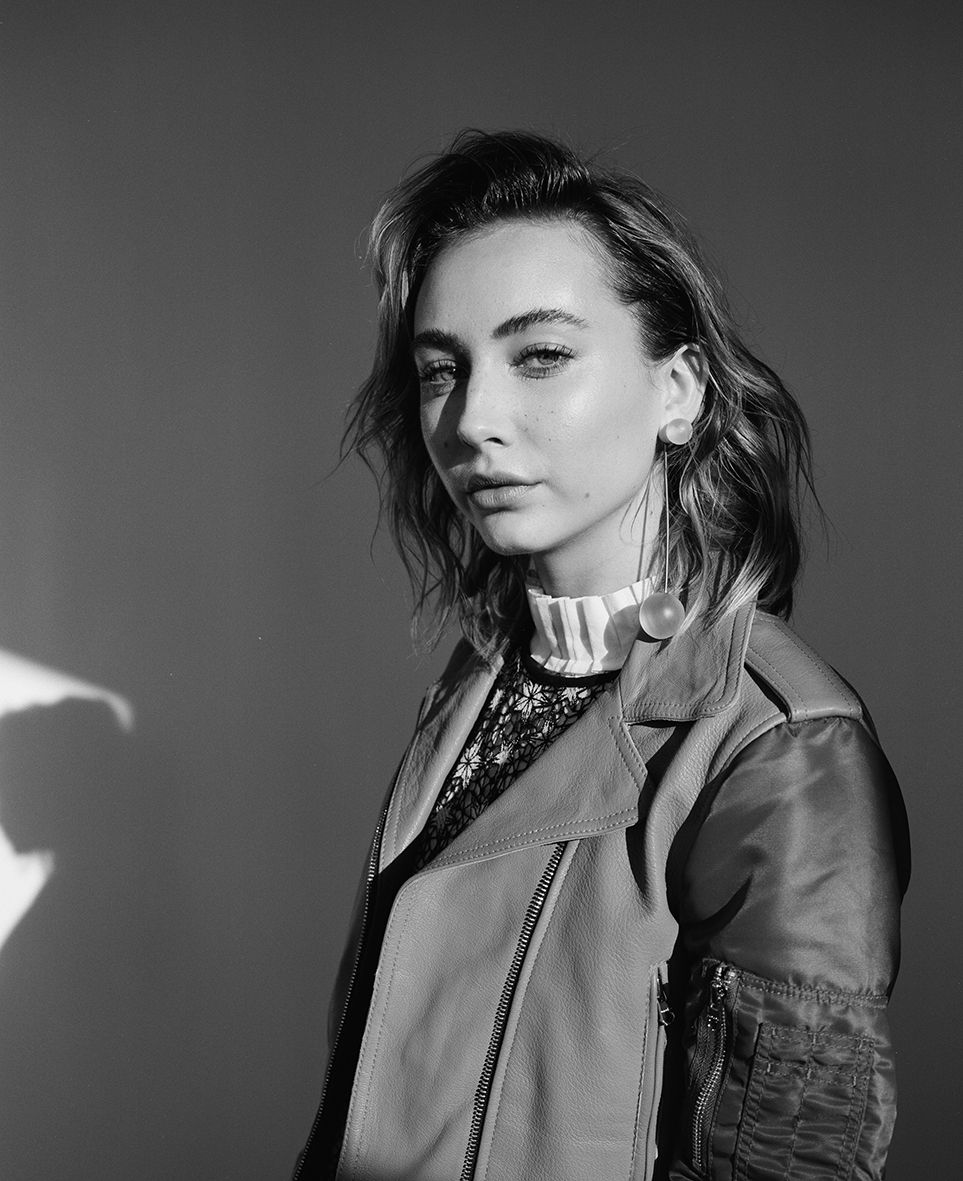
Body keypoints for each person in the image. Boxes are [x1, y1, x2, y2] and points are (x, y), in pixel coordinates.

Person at [293, 130, 910, 1180]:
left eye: (539, 355)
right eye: (442, 369)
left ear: (680, 390)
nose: (473, 419)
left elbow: (784, 1155)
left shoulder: (782, 750)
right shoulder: (485, 675)